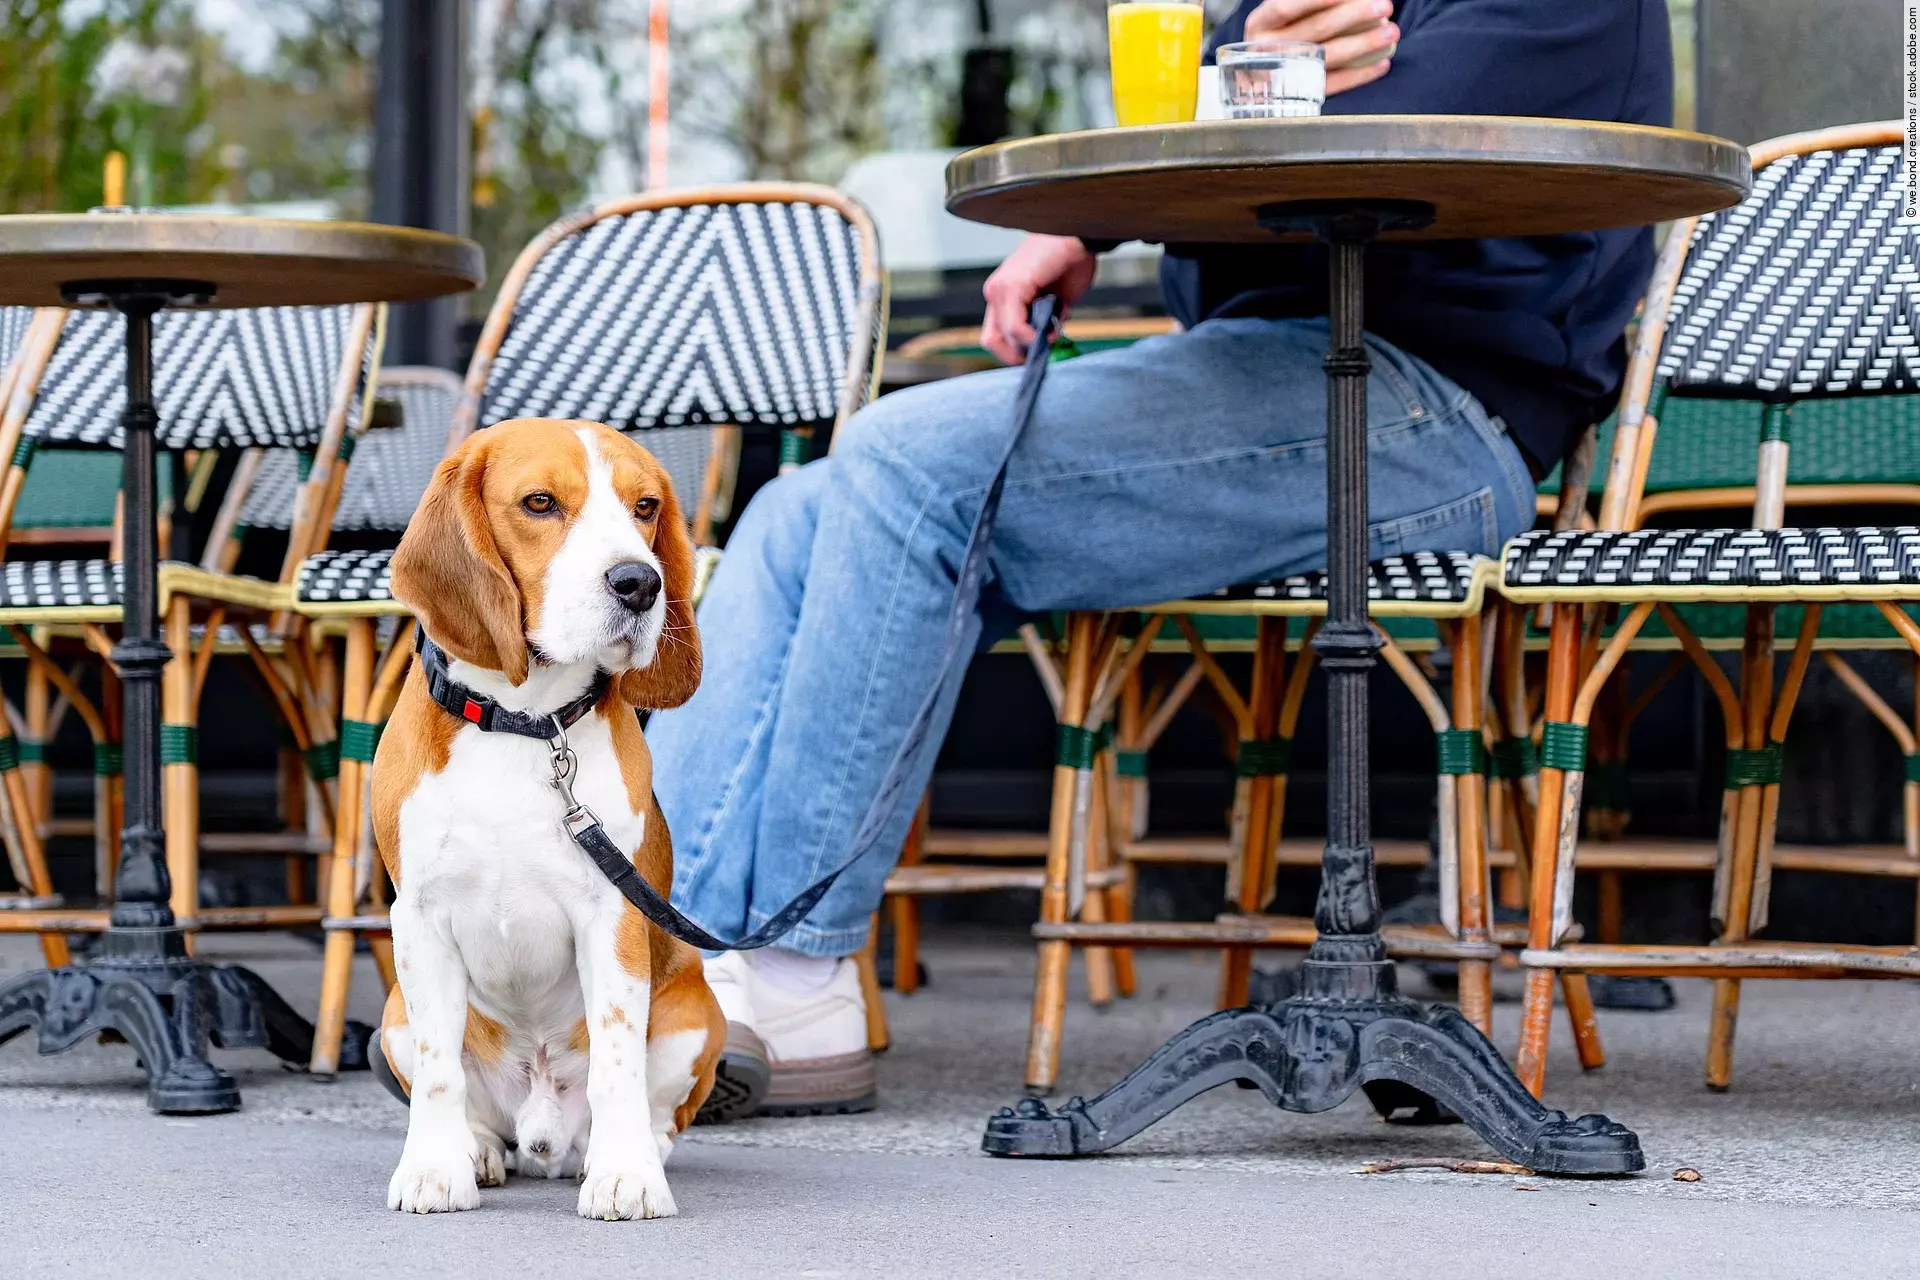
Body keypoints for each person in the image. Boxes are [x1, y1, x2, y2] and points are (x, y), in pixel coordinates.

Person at [649, 0, 1675, 1120]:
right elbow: (1204, 111)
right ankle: (651, 953)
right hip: (1266, 371)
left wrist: (1239, 92)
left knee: (907, 463)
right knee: (803, 504)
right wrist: (1110, 206)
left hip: (1445, 413)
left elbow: (1387, 135)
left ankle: (792, 977)